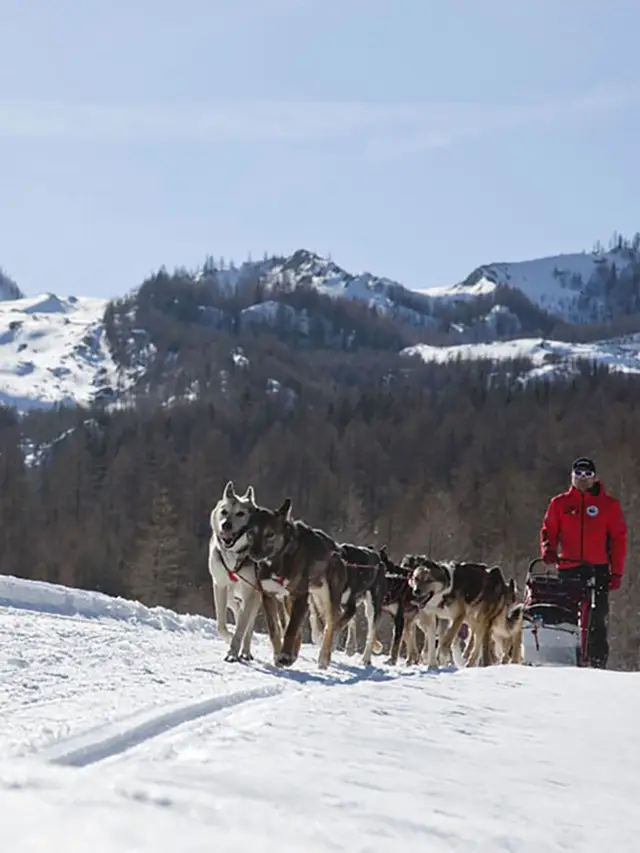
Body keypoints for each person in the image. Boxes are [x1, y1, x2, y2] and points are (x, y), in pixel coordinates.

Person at [539, 456, 627, 668]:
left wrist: (616, 572)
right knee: (566, 616)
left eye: (587, 474)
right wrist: (549, 550)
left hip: (598, 568)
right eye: (578, 474)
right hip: (569, 566)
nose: (582, 479)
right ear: (571, 476)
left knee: (597, 617)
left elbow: (618, 539)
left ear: (595, 478)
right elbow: (548, 530)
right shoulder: (559, 503)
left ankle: (596, 662)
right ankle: (566, 658)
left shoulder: (608, 505)